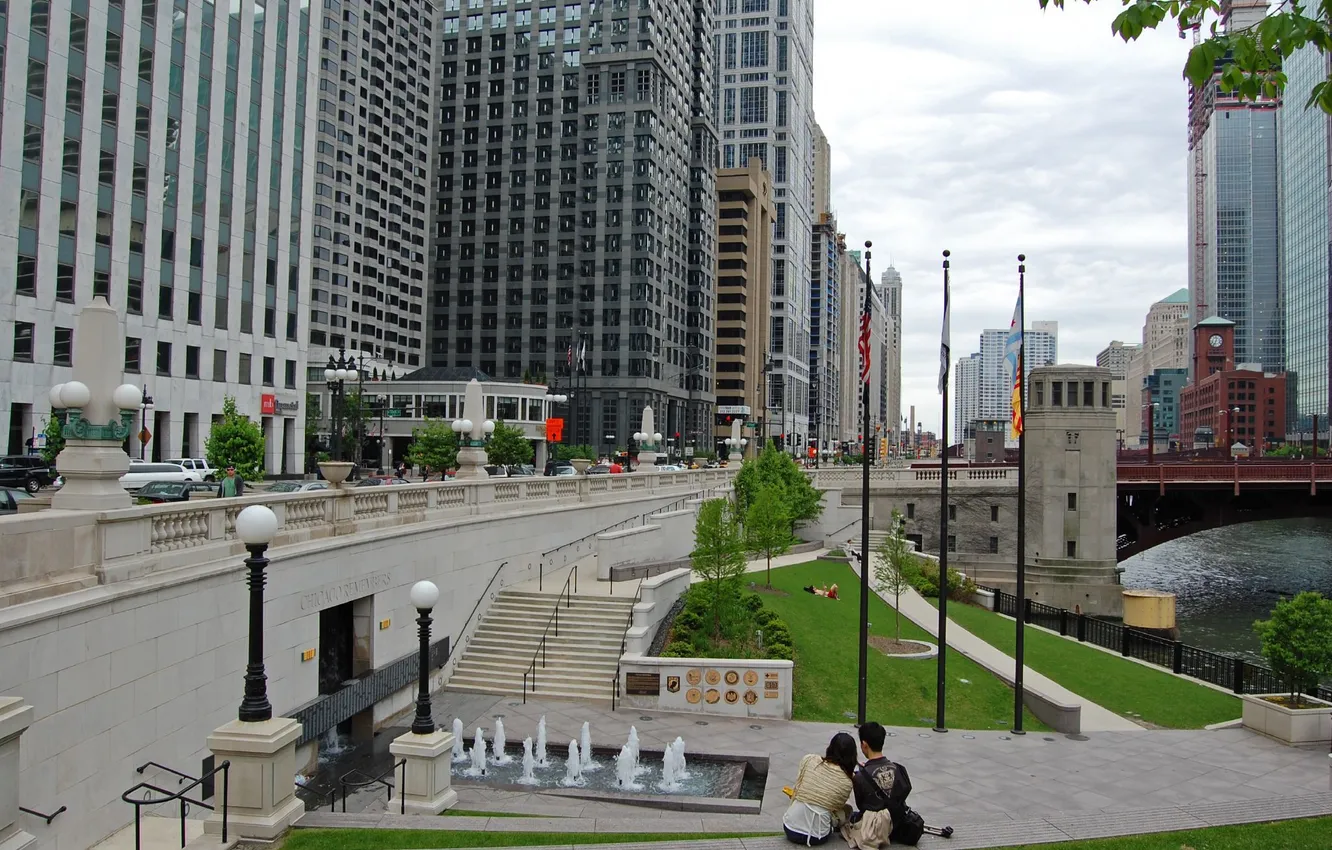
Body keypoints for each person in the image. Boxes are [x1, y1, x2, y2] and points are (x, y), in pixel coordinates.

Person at [851, 721, 925, 847]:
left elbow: (862, 805)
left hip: (874, 827)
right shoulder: (899, 769)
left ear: (864, 745)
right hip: (896, 823)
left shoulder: (860, 777)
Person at [781, 732, 857, 845]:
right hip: (817, 836)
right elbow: (835, 806)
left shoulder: (809, 760)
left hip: (790, 827)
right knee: (845, 810)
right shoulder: (846, 782)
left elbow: (799, 784)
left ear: (830, 748)